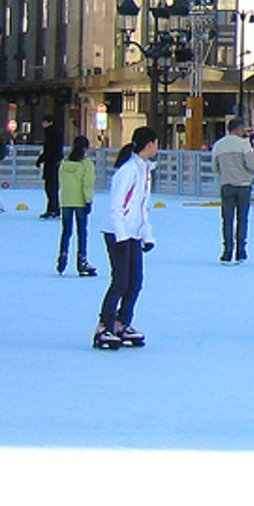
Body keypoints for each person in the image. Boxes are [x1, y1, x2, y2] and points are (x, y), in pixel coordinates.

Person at [93, 127, 158, 349]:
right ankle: (104, 326)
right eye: (156, 143)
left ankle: (122, 323)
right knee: (120, 281)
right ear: (149, 144)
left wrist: (146, 235)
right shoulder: (128, 170)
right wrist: (121, 234)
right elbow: (116, 206)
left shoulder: (144, 170)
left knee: (135, 282)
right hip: (117, 233)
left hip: (133, 233)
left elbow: (141, 208)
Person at [211, 118, 254, 263]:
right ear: (239, 130)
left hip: (227, 185)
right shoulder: (244, 145)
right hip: (244, 185)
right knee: (242, 219)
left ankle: (227, 251)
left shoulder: (218, 145)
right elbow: (251, 165)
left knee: (227, 220)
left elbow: (215, 168)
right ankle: (241, 251)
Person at [55, 135, 97, 277]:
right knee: (82, 232)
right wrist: (88, 200)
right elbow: (88, 183)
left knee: (66, 231)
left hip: (66, 200)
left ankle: (63, 254)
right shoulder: (86, 164)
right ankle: (82, 260)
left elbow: (61, 181)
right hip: (80, 201)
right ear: (86, 148)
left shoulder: (64, 163)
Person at [39, 114, 64, 220]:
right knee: (51, 187)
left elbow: (49, 149)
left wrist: (41, 159)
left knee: (51, 187)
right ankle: (52, 209)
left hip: (52, 162)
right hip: (53, 162)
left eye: (44, 122)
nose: (42, 124)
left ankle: (53, 210)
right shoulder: (53, 132)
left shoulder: (52, 133)